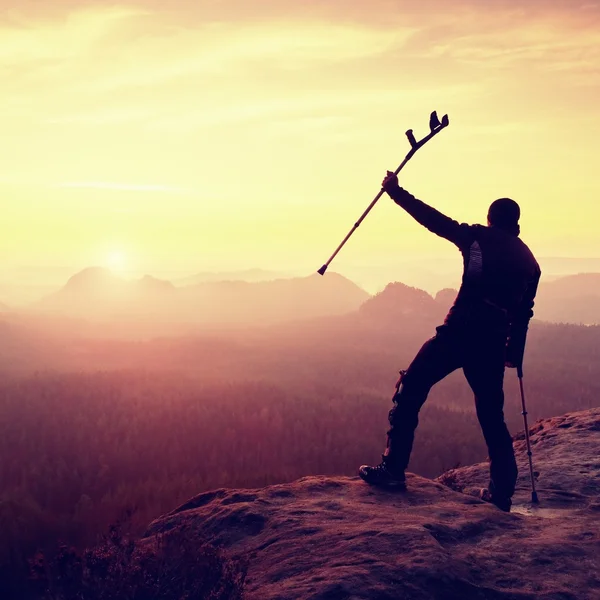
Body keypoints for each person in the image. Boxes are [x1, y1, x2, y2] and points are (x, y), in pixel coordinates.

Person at [359, 171, 541, 512]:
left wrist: (396, 193)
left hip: (459, 331)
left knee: (411, 388)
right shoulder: (531, 262)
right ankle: (501, 493)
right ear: (516, 223)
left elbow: (434, 221)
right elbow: (524, 313)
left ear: (490, 219)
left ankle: (393, 469)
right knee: (492, 416)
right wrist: (513, 352)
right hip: (492, 341)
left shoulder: (477, 239)